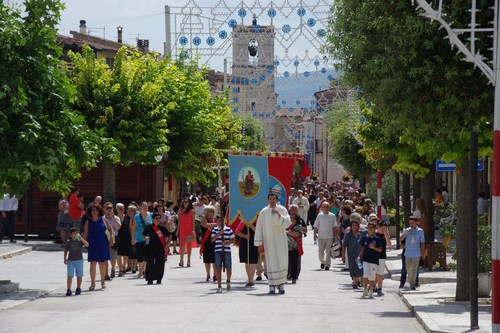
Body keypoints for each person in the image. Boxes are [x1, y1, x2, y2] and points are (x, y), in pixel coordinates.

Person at [254, 193, 291, 295]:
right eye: (270, 199)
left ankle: (281, 285)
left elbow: (288, 222)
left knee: (281, 260)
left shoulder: (282, 209)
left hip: (280, 240)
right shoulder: (264, 212)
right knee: (270, 263)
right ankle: (271, 286)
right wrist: (259, 243)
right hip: (268, 241)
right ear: (268, 200)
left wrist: (279, 215)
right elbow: (259, 227)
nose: (272, 201)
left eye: (274, 199)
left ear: (276, 199)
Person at [82, 203, 114, 290]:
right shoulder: (87, 222)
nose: (94, 212)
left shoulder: (103, 220)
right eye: (92, 210)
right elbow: (85, 234)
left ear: (99, 211)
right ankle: (93, 283)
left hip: (103, 244)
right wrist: (81, 243)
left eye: (96, 210)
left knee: (102, 263)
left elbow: (111, 230)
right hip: (92, 244)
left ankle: (102, 282)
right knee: (93, 263)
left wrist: (111, 240)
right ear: (90, 212)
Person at [143, 212, 170, 284]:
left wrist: (167, 245)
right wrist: (145, 238)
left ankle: (159, 279)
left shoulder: (162, 228)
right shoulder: (149, 227)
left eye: (159, 218)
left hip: (160, 248)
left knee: (160, 264)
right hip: (150, 248)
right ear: (153, 219)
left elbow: (169, 235)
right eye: (156, 218)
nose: (158, 219)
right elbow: (143, 235)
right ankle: (150, 279)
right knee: (150, 263)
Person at [400, 216, 426, 290]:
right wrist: (407, 233)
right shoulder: (406, 230)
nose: (411, 224)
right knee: (408, 268)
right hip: (408, 253)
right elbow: (401, 238)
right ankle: (411, 280)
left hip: (416, 252)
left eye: (413, 223)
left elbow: (422, 242)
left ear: (416, 223)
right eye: (410, 223)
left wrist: (422, 253)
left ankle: (412, 283)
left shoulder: (420, 231)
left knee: (414, 268)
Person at [211, 216, 236, 293]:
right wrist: (219, 233)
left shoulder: (228, 229)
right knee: (218, 268)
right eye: (218, 221)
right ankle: (219, 286)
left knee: (229, 267)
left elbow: (234, 240)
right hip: (218, 251)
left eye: (221, 220)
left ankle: (228, 280)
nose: (220, 222)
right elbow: (212, 240)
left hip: (227, 250)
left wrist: (226, 243)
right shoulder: (215, 230)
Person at [357, 221, 382, 298]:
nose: (370, 229)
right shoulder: (364, 237)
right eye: (369, 227)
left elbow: (380, 249)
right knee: (365, 274)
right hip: (366, 259)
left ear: (375, 229)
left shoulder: (377, 239)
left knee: (372, 275)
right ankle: (365, 290)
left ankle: (371, 290)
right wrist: (359, 256)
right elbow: (363, 248)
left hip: (374, 260)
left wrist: (374, 247)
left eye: (372, 227)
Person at [64, 227, 89, 296]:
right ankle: (68, 289)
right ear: (71, 234)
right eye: (74, 233)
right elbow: (66, 250)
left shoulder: (80, 241)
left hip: (79, 261)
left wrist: (81, 238)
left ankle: (78, 288)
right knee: (70, 275)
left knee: (79, 275)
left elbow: (87, 245)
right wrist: (65, 258)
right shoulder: (68, 242)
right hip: (70, 261)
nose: (76, 234)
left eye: (77, 233)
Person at [313, 202, 338, 270]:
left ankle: (327, 265)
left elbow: (335, 227)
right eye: (324, 207)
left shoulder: (332, 215)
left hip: (329, 236)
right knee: (320, 251)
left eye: (327, 207)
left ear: (329, 207)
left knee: (328, 251)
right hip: (321, 237)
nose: (326, 208)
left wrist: (335, 237)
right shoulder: (319, 215)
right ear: (322, 208)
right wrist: (314, 235)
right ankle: (322, 261)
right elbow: (316, 226)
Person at [131, 202, 153, 278]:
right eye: (143, 206)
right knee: (140, 255)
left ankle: (145, 270)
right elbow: (133, 228)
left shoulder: (151, 215)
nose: (145, 207)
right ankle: (140, 270)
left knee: (147, 256)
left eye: (146, 206)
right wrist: (132, 238)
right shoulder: (137, 216)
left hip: (149, 239)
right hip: (139, 239)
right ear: (140, 207)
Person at [235, 218, 259, 287]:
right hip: (245, 243)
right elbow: (237, 231)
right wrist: (245, 236)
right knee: (247, 261)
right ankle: (249, 278)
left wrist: (250, 225)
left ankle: (251, 279)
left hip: (254, 242)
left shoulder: (258, 221)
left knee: (253, 261)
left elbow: (258, 231)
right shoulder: (243, 221)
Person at [342, 219, 363, 289]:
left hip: (360, 255)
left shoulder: (361, 234)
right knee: (352, 268)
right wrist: (343, 255)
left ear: (358, 226)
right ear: (351, 227)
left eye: (356, 225)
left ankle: (359, 280)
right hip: (351, 254)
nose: (354, 227)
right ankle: (354, 281)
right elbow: (344, 245)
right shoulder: (348, 235)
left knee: (360, 267)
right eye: (353, 225)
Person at [103, 202, 121, 280]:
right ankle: (106, 273)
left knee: (113, 256)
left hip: (114, 238)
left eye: (111, 208)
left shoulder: (116, 218)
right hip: (104, 238)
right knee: (105, 257)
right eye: (107, 208)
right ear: (104, 209)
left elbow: (118, 227)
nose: (109, 210)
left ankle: (113, 268)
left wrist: (113, 218)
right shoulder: (102, 218)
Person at [177, 199, 197, 267]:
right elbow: (179, 222)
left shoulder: (192, 211)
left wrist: (193, 230)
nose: (185, 203)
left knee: (189, 245)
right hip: (182, 229)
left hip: (189, 229)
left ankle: (188, 260)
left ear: (189, 203)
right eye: (184, 202)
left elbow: (193, 221)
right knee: (182, 245)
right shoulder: (180, 211)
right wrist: (177, 230)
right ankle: (181, 260)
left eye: (186, 202)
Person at [199, 206, 217, 282]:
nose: (212, 213)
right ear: (207, 212)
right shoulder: (203, 219)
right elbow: (207, 225)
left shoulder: (214, 220)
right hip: (206, 241)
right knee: (207, 260)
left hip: (214, 241)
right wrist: (217, 224)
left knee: (215, 259)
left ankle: (215, 275)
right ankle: (208, 274)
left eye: (213, 212)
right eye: (211, 212)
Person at [374, 218, 391, 296]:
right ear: (378, 227)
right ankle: (372, 286)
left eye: (385, 229)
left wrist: (385, 234)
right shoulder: (374, 234)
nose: (383, 230)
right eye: (382, 228)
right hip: (373, 256)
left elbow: (389, 244)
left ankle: (379, 288)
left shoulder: (386, 236)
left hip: (382, 256)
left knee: (380, 273)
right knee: (373, 273)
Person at [286, 214, 304, 284]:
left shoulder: (298, 226)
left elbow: (296, 234)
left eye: (292, 218)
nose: (291, 219)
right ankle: (286, 276)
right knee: (287, 263)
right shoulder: (288, 226)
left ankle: (294, 277)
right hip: (287, 248)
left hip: (295, 248)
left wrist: (287, 232)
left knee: (294, 263)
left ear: (296, 220)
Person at [116, 203, 131, 276]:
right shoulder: (115, 218)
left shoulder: (127, 217)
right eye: (120, 209)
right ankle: (120, 269)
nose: (122, 210)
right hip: (118, 237)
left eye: (123, 209)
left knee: (126, 254)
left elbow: (130, 228)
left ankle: (124, 266)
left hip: (126, 236)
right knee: (118, 253)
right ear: (117, 210)